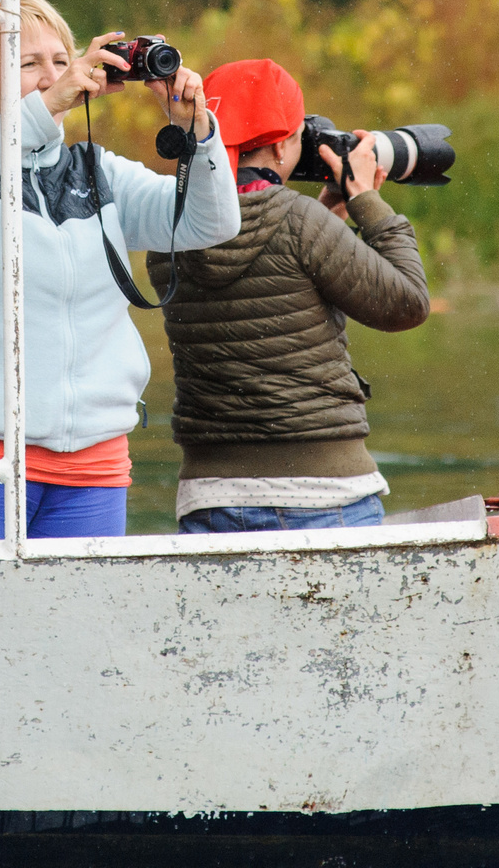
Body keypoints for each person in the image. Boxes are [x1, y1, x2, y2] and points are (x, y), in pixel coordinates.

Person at [0, 0, 240, 541]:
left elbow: (210, 224)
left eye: (61, 62)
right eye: (28, 64)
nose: (50, 77)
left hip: (92, 461)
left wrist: (197, 131)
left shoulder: (101, 171)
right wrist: (48, 103)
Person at [149, 58, 430, 533]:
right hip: (323, 492)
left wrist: (327, 221)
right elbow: (407, 304)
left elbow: (262, 281)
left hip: (210, 495)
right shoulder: (300, 223)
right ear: (281, 145)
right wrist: (365, 200)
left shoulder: (167, 226)